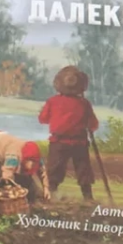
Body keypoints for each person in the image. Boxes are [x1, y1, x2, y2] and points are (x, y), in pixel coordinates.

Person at [39, 66, 99, 203]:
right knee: (83, 171)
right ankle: (88, 198)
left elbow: (43, 119)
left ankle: (50, 196)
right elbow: (93, 125)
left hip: (59, 142)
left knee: (54, 171)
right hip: (79, 143)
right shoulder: (84, 103)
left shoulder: (53, 101)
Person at [0, 129, 45, 208]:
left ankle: (31, 198)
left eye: (34, 162)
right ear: (25, 159)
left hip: (7, 142)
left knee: (26, 180)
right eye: (30, 161)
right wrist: (13, 191)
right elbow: (7, 176)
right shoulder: (13, 157)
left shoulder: (36, 157)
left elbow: (42, 171)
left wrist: (46, 188)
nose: (32, 165)